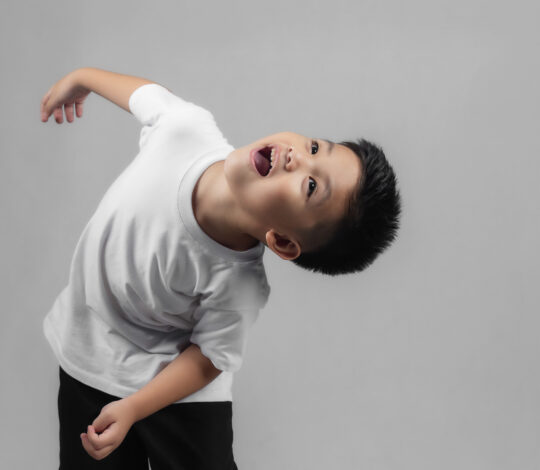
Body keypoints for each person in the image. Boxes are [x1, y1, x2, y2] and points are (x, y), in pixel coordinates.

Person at [40, 67, 402, 469]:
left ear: (281, 241)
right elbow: (145, 94)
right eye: (316, 148)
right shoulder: (186, 130)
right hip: (93, 348)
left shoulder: (238, 284)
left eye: (311, 186)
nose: (297, 157)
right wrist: (82, 78)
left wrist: (135, 407)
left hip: (178, 386)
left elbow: (208, 358)